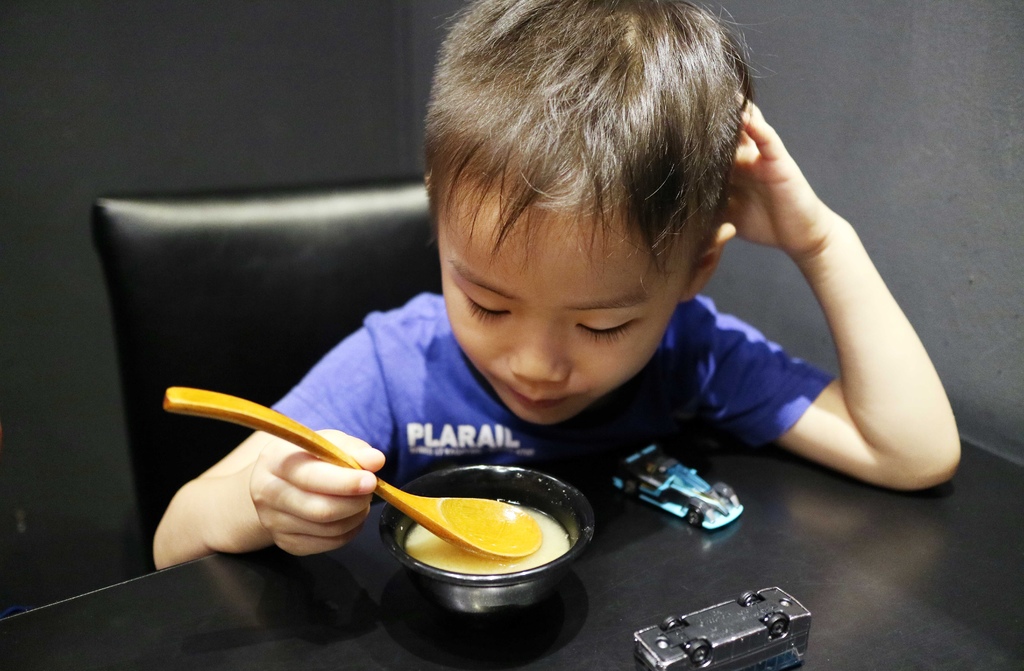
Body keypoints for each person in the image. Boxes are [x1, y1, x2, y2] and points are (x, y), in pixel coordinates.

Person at [152, 0, 959, 569]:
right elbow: (173, 535)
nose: (535, 364)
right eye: (488, 302)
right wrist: (261, 502)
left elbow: (913, 454)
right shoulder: (397, 367)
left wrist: (822, 240)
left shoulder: (692, 355)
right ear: (441, 229)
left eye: (603, 325)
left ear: (694, 273)